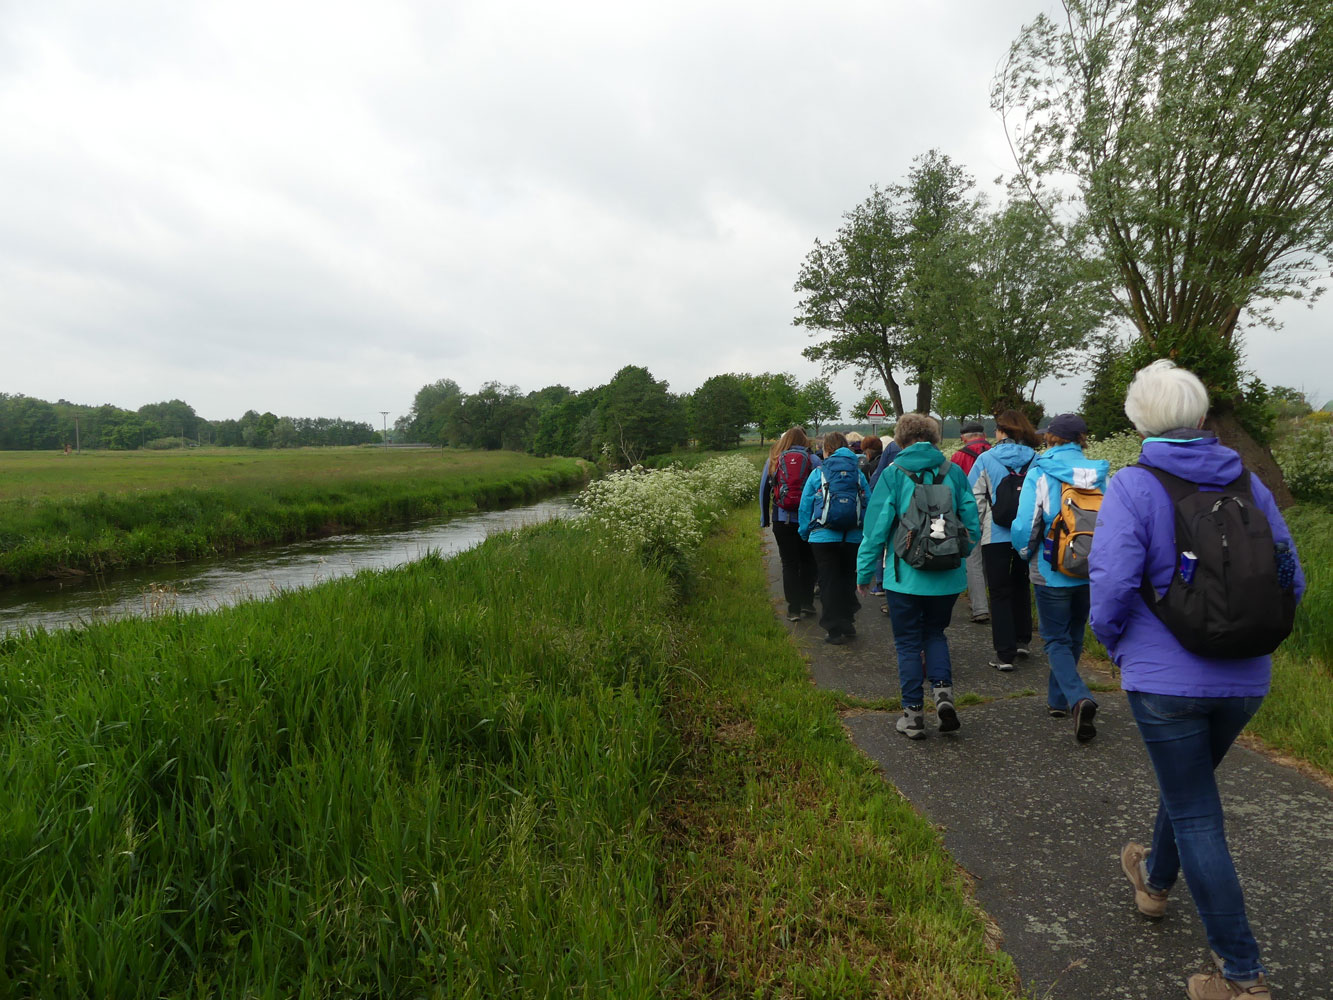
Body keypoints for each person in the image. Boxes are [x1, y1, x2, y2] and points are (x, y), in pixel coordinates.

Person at [1089, 360, 1303, 1000]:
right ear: (1203, 417)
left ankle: (1242, 977)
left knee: (1196, 813)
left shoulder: (1132, 485)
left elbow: (1113, 585)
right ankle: (1154, 884)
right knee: (1191, 793)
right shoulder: (1248, 482)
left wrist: (1116, 646)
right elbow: (1290, 576)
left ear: (1138, 420)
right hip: (1245, 679)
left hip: (1165, 682)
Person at [857, 413, 980, 738]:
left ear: (900, 439)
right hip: (947, 577)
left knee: (909, 643)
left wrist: (865, 572)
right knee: (936, 634)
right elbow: (972, 523)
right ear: (934, 438)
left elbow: (875, 530)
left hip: (905, 578)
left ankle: (912, 716)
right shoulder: (952, 471)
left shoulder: (894, 475)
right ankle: (943, 696)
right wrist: (958, 554)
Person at [1012, 412, 1108, 740]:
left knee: (1054, 638)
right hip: (1090, 566)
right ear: (1082, 438)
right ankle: (1059, 699)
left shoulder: (1041, 470)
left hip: (1052, 567)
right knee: (1074, 633)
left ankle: (1079, 697)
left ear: (1051, 438)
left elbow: (1027, 524)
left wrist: (1025, 554)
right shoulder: (1100, 473)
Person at [968, 409, 1040, 672]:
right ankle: (1023, 640)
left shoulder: (985, 459)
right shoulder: (1035, 458)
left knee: (998, 592)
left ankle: (1004, 654)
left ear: (1000, 431)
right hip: (1027, 534)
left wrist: (973, 531)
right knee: (1021, 584)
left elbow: (975, 498)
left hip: (994, 534)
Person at [798, 431, 869, 645]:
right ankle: (848, 622)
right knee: (847, 578)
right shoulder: (858, 473)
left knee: (827, 581)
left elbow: (805, 505)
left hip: (822, 536)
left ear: (826, 449)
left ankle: (833, 629)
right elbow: (868, 503)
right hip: (852, 536)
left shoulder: (818, 472)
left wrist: (805, 531)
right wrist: (863, 530)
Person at [760, 427, 821, 622]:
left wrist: (765, 519)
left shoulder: (774, 460)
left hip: (782, 518)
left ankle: (793, 609)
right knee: (808, 561)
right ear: (805, 440)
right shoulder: (814, 460)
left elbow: (764, 490)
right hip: (809, 521)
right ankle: (807, 603)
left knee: (789, 563)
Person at [952, 420, 993, 623]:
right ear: (984, 435)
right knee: (990, 560)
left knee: (973, 561)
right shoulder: (995, 453)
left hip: (970, 513)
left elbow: (952, 486)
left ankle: (980, 607)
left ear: (963, 437)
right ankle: (992, 601)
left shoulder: (958, 456)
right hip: (996, 517)